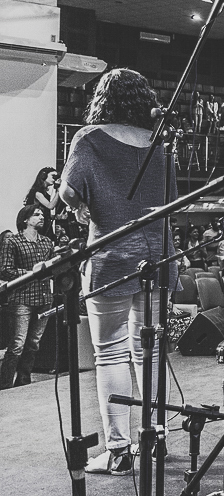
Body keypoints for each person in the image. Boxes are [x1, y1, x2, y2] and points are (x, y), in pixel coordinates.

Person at [59, 68, 177, 476]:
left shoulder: (88, 138)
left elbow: (69, 192)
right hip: (160, 253)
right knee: (152, 351)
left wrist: (82, 202)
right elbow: (171, 199)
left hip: (111, 255)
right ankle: (156, 437)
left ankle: (119, 451)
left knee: (110, 351)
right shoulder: (161, 140)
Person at [0, 205, 55, 389]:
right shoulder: (13, 242)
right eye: (37, 214)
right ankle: (4, 385)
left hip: (44, 298)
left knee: (33, 344)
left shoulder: (47, 242)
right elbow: (5, 270)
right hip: (21, 299)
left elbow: (53, 268)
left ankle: (24, 382)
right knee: (17, 344)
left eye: (43, 215)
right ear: (25, 219)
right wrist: (32, 273)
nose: (42, 217)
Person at [24, 166, 65, 240]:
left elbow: (45, 211)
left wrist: (55, 217)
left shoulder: (44, 193)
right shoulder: (37, 193)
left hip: (45, 223)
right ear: (43, 176)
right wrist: (59, 191)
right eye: (53, 176)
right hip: (38, 225)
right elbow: (50, 206)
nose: (54, 178)